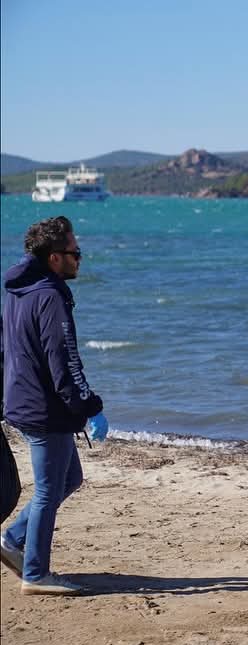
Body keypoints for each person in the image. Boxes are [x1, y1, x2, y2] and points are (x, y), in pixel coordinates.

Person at [1, 216, 108, 596]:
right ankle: (36, 573)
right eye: (74, 252)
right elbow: (64, 360)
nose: (80, 257)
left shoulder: (19, 289)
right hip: (43, 411)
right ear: (54, 258)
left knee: (68, 479)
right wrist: (89, 406)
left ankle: (12, 540)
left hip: (23, 403)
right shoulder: (49, 296)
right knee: (49, 490)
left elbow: (6, 348)